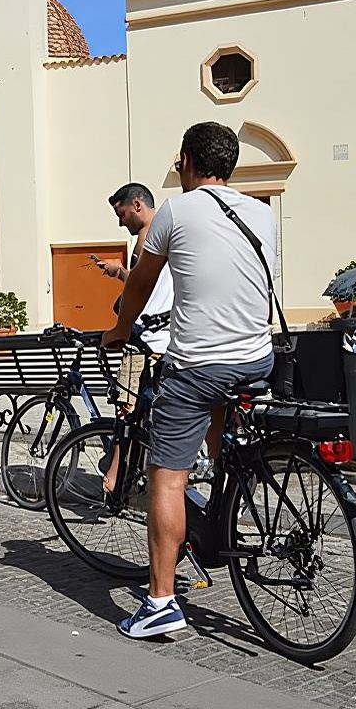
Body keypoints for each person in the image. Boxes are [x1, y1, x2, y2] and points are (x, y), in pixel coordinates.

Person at [102, 122, 276, 639]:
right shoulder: (263, 212)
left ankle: (159, 602)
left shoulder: (176, 210)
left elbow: (141, 283)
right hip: (258, 359)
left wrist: (119, 329)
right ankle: (227, 504)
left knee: (167, 477)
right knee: (220, 439)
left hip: (200, 365)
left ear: (186, 161)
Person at [96, 184, 174, 492]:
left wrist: (119, 273)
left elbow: (144, 287)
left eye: (122, 213)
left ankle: (116, 475)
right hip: (170, 335)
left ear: (137, 205)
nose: (121, 222)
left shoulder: (148, 235)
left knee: (125, 406)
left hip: (146, 336)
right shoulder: (170, 230)